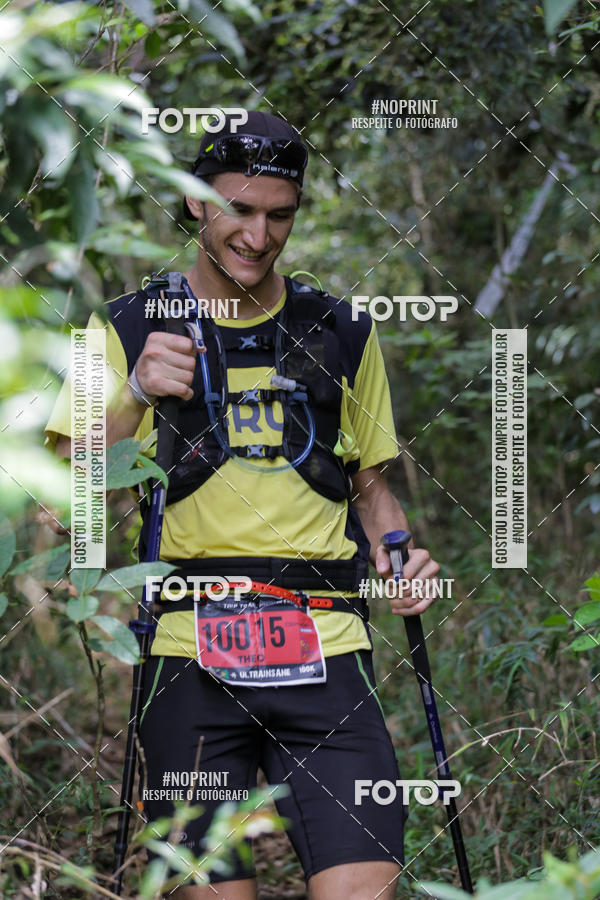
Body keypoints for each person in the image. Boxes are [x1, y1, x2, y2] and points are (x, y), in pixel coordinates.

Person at [46, 110, 440, 900]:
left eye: (279, 215)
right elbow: (64, 503)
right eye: (240, 209)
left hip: (325, 647)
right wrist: (131, 393)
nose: (259, 237)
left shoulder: (343, 331)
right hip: (189, 655)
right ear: (196, 200)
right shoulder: (125, 327)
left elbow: (372, 492)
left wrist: (402, 558)